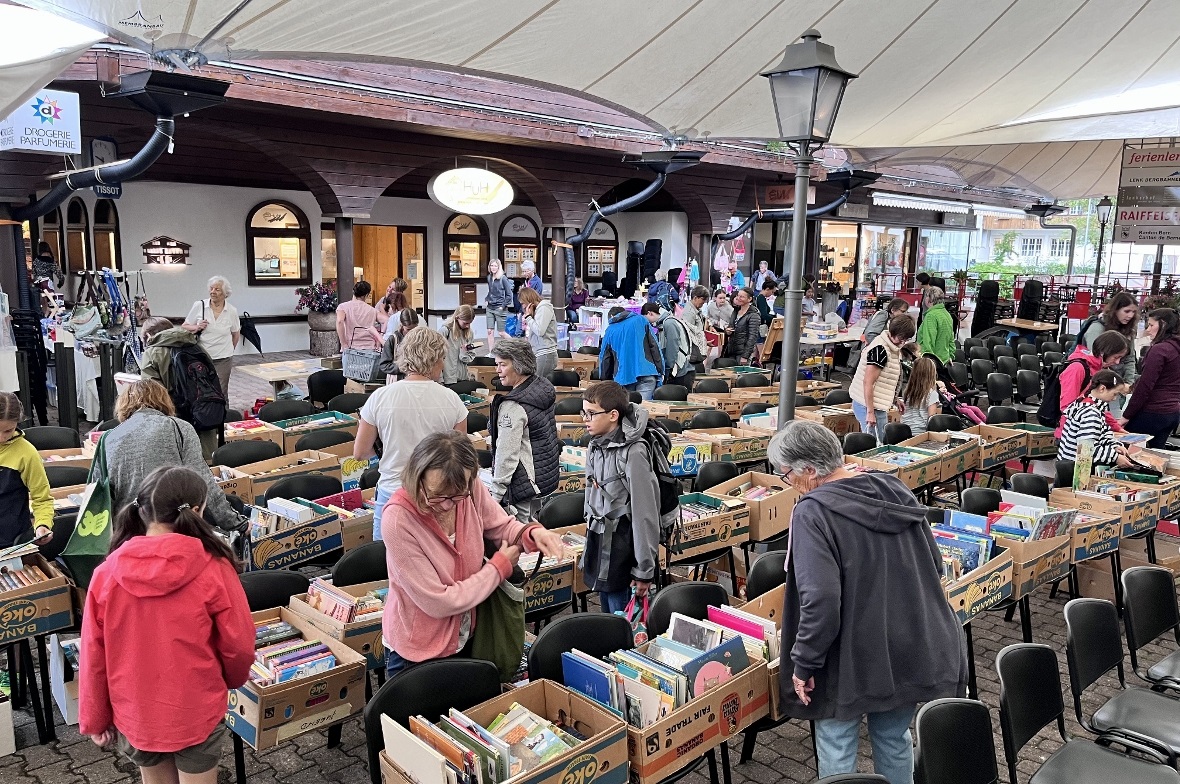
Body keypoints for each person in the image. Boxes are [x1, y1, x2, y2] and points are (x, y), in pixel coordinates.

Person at [770, 420, 966, 784]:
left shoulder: (813, 512)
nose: (788, 482)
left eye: (786, 474)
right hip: (908, 641)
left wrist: (804, 662)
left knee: (837, 742)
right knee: (893, 737)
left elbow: (821, 600)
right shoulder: (893, 488)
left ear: (809, 470)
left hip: (850, 653)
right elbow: (936, 564)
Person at [80, 466, 254, 784]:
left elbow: (93, 653)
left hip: (136, 713)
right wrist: (231, 679)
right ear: (197, 511)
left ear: (142, 509)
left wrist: (95, 717)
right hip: (196, 708)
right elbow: (239, 645)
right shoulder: (215, 567)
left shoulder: (106, 574)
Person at [381, 431, 565, 676]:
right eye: (436, 495)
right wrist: (498, 568)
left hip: (468, 634)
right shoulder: (398, 520)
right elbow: (439, 602)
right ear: (417, 478)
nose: (448, 504)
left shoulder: (469, 488)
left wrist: (531, 533)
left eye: (457, 496)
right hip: (418, 650)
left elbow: (500, 525)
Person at [355, 328, 469, 540]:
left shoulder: (380, 397)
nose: (443, 365)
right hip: (436, 496)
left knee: (386, 557)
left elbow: (360, 453)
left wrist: (389, 445)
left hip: (392, 491)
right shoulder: (452, 400)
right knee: (433, 557)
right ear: (434, 359)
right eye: (442, 359)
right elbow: (460, 457)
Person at [103, 380, 241, 532]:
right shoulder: (178, 428)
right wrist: (235, 523)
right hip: (171, 527)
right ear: (164, 400)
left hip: (127, 531)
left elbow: (101, 495)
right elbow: (204, 481)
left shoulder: (108, 438)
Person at [581, 381, 669, 614]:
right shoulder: (595, 445)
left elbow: (645, 514)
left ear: (613, 415)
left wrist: (644, 570)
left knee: (624, 620)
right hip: (601, 542)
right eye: (584, 413)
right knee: (607, 618)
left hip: (625, 548)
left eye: (591, 414)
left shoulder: (634, 452)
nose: (585, 420)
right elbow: (591, 495)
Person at [488, 339, 559, 521]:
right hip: (541, 479)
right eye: (497, 364)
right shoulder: (541, 388)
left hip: (522, 484)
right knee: (531, 526)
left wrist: (495, 495)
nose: (497, 370)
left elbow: (507, 454)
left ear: (519, 365)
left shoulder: (513, 407)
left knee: (520, 533)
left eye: (503, 364)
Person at [138, 316, 222, 459]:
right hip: (206, 415)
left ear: (148, 335)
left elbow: (153, 395)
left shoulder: (152, 353)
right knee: (207, 463)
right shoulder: (197, 347)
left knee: (179, 466)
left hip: (175, 421)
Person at [849, 315, 916, 443]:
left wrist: (894, 399)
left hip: (876, 404)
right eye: (901, 338)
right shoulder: (880, 349)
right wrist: (870, 412)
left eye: (906, 339)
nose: (903, 342)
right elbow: (868, 382)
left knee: (879, 440)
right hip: (867, 404)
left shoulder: (891, 347)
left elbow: (884, 380)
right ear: (893, 332)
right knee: (874, 443)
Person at [1121, 308, 1180, 447]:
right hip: (1173, 413)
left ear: (1163, 324)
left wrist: (1126, 416)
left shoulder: (1159, 350)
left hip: (1152, 411)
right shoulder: (1175, 349)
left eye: (1151, 325)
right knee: (1155, 455)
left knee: (1126, 450)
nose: (1148, 330)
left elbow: (1145, 386)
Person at [0, 393, 53, 548]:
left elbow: (42, 499)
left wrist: (43, 524)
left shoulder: (27, 453)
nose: (1, 438)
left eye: (8, 431)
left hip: (12, 542)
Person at [1055, 330, 1129, 439]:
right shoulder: (1077, 368)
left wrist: (1115, 427)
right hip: (1072, 434)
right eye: (1116, 357)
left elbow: (1100, 406)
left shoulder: (1100, 369)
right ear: (1104, 352)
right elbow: (1067, 406)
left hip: (1090, 431)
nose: (1117, 362)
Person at [1079, 291, 1139, 415]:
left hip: (1116, 384)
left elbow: (1130, 358)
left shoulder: (1129, 330)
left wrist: (1127, 383)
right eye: (1127, 311)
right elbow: (1097, 359)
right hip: (1099, 383)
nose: (1130, 315)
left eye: (1133, 312)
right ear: (1115, 309)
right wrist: (1118, 384)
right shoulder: (1097, 328)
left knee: (1113, 417)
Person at [1059, 369, 1135, 466]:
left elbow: (1103, 433)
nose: (1115, 398)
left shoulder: (1087, 404)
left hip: (1070, 463)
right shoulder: (1090, 413)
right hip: (1076, 468)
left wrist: (1115, 445)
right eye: (1114, 394)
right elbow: (1086, 449)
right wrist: (1115, 457)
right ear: (1102, 388)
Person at [182, 276, 240, 399]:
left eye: (217, 289)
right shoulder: (199, 305)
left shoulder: (231, 311)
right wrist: (197, 327)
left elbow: (235, 334)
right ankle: (204, 410)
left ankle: (223, 410)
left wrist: (230, 350)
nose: (213, 292)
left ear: (225, 293)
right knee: (202, 388)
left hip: (223, 358)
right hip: (202, 356)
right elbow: (185, 326)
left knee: (221, 390)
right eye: (211, 288)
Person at [599, 306, 663, 401]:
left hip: (623, 377)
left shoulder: (610, 330)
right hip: (647, 372)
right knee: (644, 408)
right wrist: (660, 370)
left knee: (628, 408)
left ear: (612, 316)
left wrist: (605, 380)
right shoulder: (641, 320)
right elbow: (655, 347)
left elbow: (605, 358)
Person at [645, 303, 695, 390]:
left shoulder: (669, 323)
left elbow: (672, 348)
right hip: (679, 370)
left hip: (680, 372)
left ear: (650, 313)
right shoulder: (665, 323)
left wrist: (668, 368)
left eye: (646, 319)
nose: (648, 323)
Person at [518, 288, 558, 380]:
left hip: (545, 353)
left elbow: (540, 331)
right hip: (539, 353)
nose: (523, 306)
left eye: (523, 303)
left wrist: (528, 317)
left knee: (536, 383)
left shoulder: (544, 308)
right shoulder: (537, 310)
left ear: (528, 300)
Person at [900, 356, 942, 436]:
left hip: (905, 432)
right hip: (921, 434)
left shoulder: (908, 392)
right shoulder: (932, 394)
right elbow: (931, 420)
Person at [377, 308, 421, 381]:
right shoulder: (393, 340)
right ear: (402, 325)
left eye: (414, 329)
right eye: (408, 329)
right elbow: (384, 365)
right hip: (397, 380)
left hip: (416, 380)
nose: (411, 332)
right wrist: (403, 368)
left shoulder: (421, 339)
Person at [915, 287, 955, 365]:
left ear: (929, 299)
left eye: (926, 296)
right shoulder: (947, 314)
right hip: (944, 360)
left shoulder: (931, 316)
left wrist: (927, 362)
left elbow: (928, 341)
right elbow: (951, 339)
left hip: (933, 363)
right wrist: (950, 355)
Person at [337, 280, 381, 350]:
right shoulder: (373, 310)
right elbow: (386, 320)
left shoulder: (343, 307)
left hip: (351, 347)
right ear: (367, 295)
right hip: (369, 347)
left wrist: (343, 344)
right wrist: (380, 339)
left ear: (353, 291)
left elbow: (340, 321)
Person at [439, 305, 477, 384]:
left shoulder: (469, 333)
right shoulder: (445, 331)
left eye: (470, 323)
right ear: (457, 318)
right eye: (465, 323)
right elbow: (437, 357)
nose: (467, 326)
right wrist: (440, 380)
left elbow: (470, 357)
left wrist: (463, 353)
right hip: (448, 379)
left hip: (463, 377)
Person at [726, 287, 761, 366]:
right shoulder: (735, 310)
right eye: (738, 296)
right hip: (732, 350)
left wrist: (745, 356)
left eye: (742, 297)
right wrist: (727, 331)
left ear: (749, 299)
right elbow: (731, 326)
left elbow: (753, 337)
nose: (738, 298)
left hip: (743, 352)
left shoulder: (754, 315)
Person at [485, 259, 514, 349]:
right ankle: (491, 352)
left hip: (500, 308)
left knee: (501, 332)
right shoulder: (489, 277)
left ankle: (516, 345)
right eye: (491, 266)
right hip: (490, 307)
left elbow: (509, 295)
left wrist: (503, 306)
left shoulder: (503, 278)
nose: (493, 268)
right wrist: (487, 299)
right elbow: (491, 291)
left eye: (495, 266)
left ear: (499, 267)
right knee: (490, 331)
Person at [679, 286, 710, 368]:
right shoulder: (689, 313)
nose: (704, 302)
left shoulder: (696, 310)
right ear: (695, 298)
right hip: (693, 354)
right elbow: (688, 334)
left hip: (696, 352)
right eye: (703, 299)